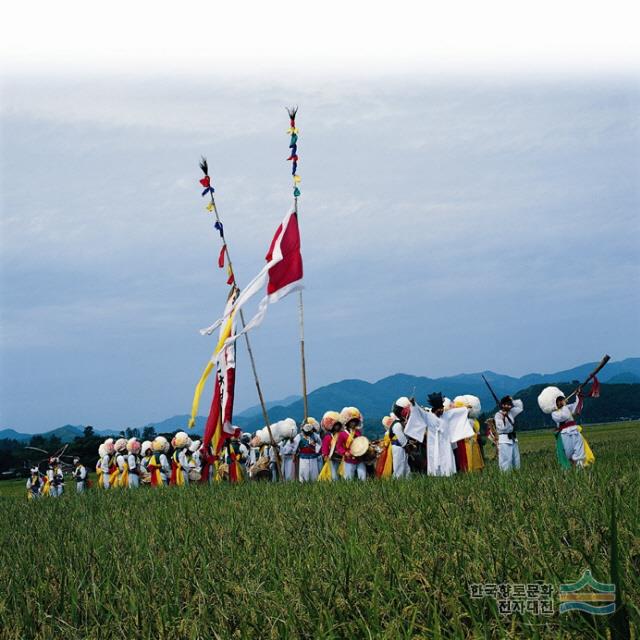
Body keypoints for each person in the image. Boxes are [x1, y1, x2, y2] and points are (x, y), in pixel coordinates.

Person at [538, 386, 595, 469]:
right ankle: (572, 468)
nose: (562, 401)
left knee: (579, 451)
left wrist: (577, 396)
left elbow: (576, 409)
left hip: (575, 431)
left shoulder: (566, 407)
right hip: (565, 434)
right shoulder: (554, 414)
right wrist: (564, 405)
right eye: (559, 400)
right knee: (569, 453)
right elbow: (565, 415)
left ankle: (581, 468)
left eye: (561, 399)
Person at [452, 395, 485, 473]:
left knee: (468, 455)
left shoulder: (471, 421)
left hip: (468, 441)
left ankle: (469, 468)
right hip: (463, 441)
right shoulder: (470, 421)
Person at [494, 395, 524, 472]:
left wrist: (512, 400)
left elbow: (520, 407)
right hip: (504, 440)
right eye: (506, 404)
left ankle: (517, 473)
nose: (508, 406)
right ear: (502, 405)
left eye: (509, 404)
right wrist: (504, 418)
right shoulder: (498, 415)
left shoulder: (511, 412)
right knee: (506, 460)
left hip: (513, 438)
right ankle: (506, 476)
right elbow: (501, 428)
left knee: (516, 459)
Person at [339, 407, 367, 480]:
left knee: (363, 475)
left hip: (359, 458)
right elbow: (339, 447)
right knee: (348, 478)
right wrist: (345, 452)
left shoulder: (358, 432)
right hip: (349, 459)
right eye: (352, 421)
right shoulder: (342, 434)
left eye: (355, 421)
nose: (353, 423)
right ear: (347, 422)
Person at [292, 418, 322, 482]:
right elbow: (295, 446)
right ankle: (303, 483)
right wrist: (294, 454)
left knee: (314, 473)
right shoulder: (299, 436)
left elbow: (320, 443)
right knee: (304, 472)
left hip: (313, 458)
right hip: (303, 458)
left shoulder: (315, 436)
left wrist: (317, 450)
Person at [319, 411, 343, 480]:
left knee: (342, 473)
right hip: (332, 458)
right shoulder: (328, 437)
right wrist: (325, 454)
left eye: (338, 425)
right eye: (335, 425)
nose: (337, 427)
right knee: (334, 474)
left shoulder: (342, 435)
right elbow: (325, 447)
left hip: (342, 458)